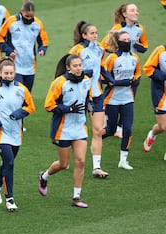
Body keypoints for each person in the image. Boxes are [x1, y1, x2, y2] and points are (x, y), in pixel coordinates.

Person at [0, 57, 35, 211]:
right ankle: (10, 199)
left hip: (16, 133)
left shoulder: (21, 89)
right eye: (6, 73)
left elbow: (31, 106)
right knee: (9, 162)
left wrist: (19, 113)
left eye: (12, 73)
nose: (9, 76)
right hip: (0, 133)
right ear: (0, 73)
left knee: (6, 163)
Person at [38, 54, 91, 208]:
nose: (79, 68)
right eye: (75, 66)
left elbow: (89, 97)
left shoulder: (86, 81)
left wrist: (90, 104)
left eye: (80, 65)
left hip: (80, 127)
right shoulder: (60, 82)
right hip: (63, 129)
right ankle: (44, 176)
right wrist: (67, 109)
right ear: (68, 67)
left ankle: (76, 197)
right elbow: (49, 105)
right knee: (64, 164)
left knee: (80, 161)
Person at [69, 21, 111, 178]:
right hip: (79, 95)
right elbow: (68, 71)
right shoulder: (77, 50)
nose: (95, 36)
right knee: (75, 130)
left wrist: (110, 78)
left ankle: (96, 167)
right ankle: (67, 158)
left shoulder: (100, 49)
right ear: (84, 35)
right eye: (92, 33)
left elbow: (101, 67)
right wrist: (83, 72)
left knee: (98, 130)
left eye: (96, 33)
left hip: (96, 94)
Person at [100, 3, 148, 138]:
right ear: (125, 14)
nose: (136, 13)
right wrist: (116, 50)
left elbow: (145, 45)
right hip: (118, 67)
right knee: (112, 91)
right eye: (133, 10)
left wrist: (139, 47)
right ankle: (103, 114)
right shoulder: (117, 29)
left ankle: (120, 127)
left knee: (129, 96)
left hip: (133, 67)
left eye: (137, 10)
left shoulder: (140, 29)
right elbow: (104, 45)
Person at [102, 31, 141, 170]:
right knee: (110, 130)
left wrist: (133, 81)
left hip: (128, 99)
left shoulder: (135, 58)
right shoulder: (112, 58)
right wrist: (118, 82)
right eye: (124, 39)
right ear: (118, 42)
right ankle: (94, 140)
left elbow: (137, 74)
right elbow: (103, 78)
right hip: (112, 100)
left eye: (129, 39)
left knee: (128, 129)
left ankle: (123, 160)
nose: (127, 41)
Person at [0, 1, 48, 93]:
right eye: (27, 16)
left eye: (31, 16)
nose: (29, 18)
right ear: (22, 11)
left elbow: (43, 41)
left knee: (27, 93)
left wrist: (42, 49)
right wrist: (8, 50)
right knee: (18, 91)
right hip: (14, 63)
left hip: (30, 65)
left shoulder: (37, 24)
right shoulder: (11, 21)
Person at [142, 43, 166, 160]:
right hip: (161, 93)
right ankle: (152, 134)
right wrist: (163, 76)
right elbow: (148, 68)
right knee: (162, 126)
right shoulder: (160, 50)